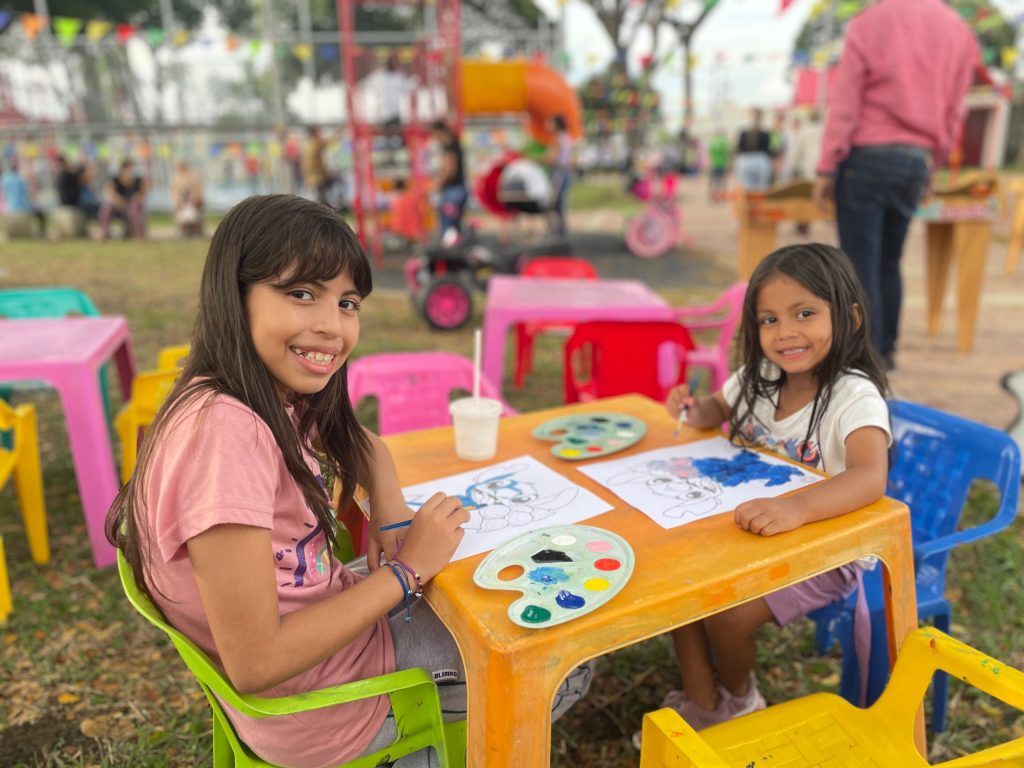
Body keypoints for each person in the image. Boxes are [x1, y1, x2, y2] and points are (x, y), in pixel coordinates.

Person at [104, 194, 592, 768]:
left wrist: (388, 512)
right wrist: (409, 572)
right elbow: (256, 662)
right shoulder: (225, 436)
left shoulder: (253, 391)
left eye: (348, 303)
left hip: (327, 646)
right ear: (233, 295)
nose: (331, 327)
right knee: (567, 654)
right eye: (301, 293)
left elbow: (363, 443)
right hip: (329, 706)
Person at [648, 243, 891, 735]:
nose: (786, 333)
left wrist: (797, 508)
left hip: (827, 552)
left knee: (729, 616)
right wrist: (693, 411)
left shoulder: (853, 396)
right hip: (757, 532)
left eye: (805, 313)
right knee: (678, 584)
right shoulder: (759, 376)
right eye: (769, 320)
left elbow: (869, 476)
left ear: (851, 317)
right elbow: (718, 409)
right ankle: (704, 700)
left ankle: (739, 700)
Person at [812, 0, 978, 371]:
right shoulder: (958, 31)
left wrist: (826, 165)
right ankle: (885, 353)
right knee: (889, 262)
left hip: (866, 157)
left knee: (859, 265)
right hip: (916, 160)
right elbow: (954, 110)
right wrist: (931, 165)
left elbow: (846, 101)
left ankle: (862, 361)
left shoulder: (869, 22)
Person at [430, 120, 467, 241]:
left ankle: (449, 255)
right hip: (459, 189)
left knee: (448, 228)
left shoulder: (449, 148)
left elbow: (449, 171)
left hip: (452, 191)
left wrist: (437, 186)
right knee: (455, 227)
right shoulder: (456, 144)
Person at [98, 159, 148, 239]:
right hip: (118, 205)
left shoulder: (138, 180)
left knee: (134, 207)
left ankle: (139, 234)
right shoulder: (115, 180)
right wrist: (119, 200)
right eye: (129, 168)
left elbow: (143, 193)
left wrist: (136, 197)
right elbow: (110, 191)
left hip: (132, 205)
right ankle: (104, 233)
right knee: (106, 209)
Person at [301, 126, 345, 213]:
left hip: (312, 177)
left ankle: (325, 210)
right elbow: (328, 142)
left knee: (321, 196)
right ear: (314, 134)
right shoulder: (315, 143)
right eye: (318, 133)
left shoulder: (307, 144)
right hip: (318, 176)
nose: (320, 135)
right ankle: (328, 211)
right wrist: (338, 134)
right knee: (323, 196)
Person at [1, 158, 48, 237]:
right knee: (41, 214)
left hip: (9, 207)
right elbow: (27, 195)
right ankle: (41, 233)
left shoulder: (4, 179)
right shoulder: (21, 180)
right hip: (22, 207)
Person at [733, 108, 776, 192]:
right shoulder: (765, 134)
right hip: (761, 161)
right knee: (761, 191)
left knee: (747, 191)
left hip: (745, 161)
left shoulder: (743, 133)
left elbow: (738, 150)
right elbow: (769, 151)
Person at [546, 114, 574, 237]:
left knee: (555, 202)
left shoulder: (558, 139)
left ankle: (559, 232)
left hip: (558, 173)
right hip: (565, 172)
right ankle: (561, 231)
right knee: (560, 202)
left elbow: (551, 158)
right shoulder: (566, 137)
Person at [56, 155, 100, 220]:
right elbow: (85, 180)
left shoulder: (62, 174)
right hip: (72, 203)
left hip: (68, 202)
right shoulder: (67, 175)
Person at [170, 160, 205, 238]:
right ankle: (185, 230)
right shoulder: (177, 178)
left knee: (192, 214)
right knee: (182, 214)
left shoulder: (193, 177)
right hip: (182, 201)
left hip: (192, 200)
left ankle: (194, 231)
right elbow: (174, 191)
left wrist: (193, 198)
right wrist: (178, 200)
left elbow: (198, 190)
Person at [706, 128, 731, 203]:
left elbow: (709, 154)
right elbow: (728, 153)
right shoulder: (724, 141)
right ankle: (722, 197)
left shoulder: (712, 142)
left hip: (714, 164)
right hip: (722, 163)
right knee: (722, 182)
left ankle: (712, 197)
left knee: (713, 182)